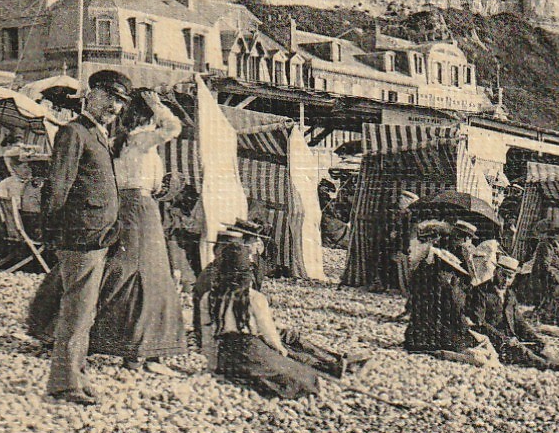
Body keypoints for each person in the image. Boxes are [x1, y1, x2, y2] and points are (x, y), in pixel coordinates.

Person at [39, 69, 131, 405]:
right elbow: (58, 185)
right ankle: (64, 384)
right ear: (90, 93)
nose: (115, 106)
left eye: (120, 101)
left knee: (85, 312)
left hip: (97, 235)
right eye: (109, 97)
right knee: (76, 314)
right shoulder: (74, 132)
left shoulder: (98, 134)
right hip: (80, 236)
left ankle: (76, 376)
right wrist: (51, 231)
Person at [88, 88, 187, 375]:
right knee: (152, 276)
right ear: (149, 116)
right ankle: (143, 351)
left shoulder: (120, 142)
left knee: (127, 271)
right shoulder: (143, 140)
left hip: (126, 206)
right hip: (142, 209)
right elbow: (174, 126)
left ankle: (119, 343)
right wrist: (158, 106)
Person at [201, 239, 366, 399]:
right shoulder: (254, 298)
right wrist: (281, 352)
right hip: (251, 348)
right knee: (303, 377)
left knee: (288, 360)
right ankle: (332, 366)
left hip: (225, 355)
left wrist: (213, 364)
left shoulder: (208, 298)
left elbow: (207, 336)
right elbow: (269, 334)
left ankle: (334, 365)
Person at [467, 254, 559, 372]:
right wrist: (504, 339)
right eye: (503, 275)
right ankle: (555, 368)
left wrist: (535, 338)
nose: (506, 280)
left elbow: (519, 322)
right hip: (494, 340)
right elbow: (480, 323)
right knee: (522, 351)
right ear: (495, 272)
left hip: (511, 338)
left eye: (510, 277)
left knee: (538, 346)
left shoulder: (510, 295)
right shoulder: (481, 292)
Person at [403, 221, 493, 364]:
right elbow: (454, 301)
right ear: (460, 237)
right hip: (435, 323)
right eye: (466, 238)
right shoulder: (440, 258)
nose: (467, 242)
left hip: (433, 320)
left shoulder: (459, 254)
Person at [520, 226, 559, 307]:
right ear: (555, 235)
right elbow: (544, 267)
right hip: (543, 282)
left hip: (554, 283)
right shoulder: (546, 246)